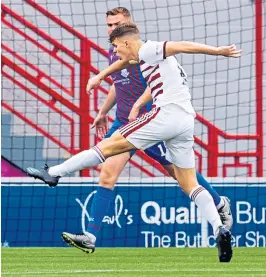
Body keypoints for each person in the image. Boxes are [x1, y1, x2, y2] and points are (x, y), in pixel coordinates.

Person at [26, 22, 241, 262]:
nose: (115, 52)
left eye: (117, 47)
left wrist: (218, 51)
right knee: (189, 183)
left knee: (106, 147)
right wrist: (102, 76)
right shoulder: (143, 57)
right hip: (185, 122)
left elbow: (182, 46)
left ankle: (54, 173)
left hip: (165, 115)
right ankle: (219, 228)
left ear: (127, 42)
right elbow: (124, 63)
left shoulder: (150, 49)